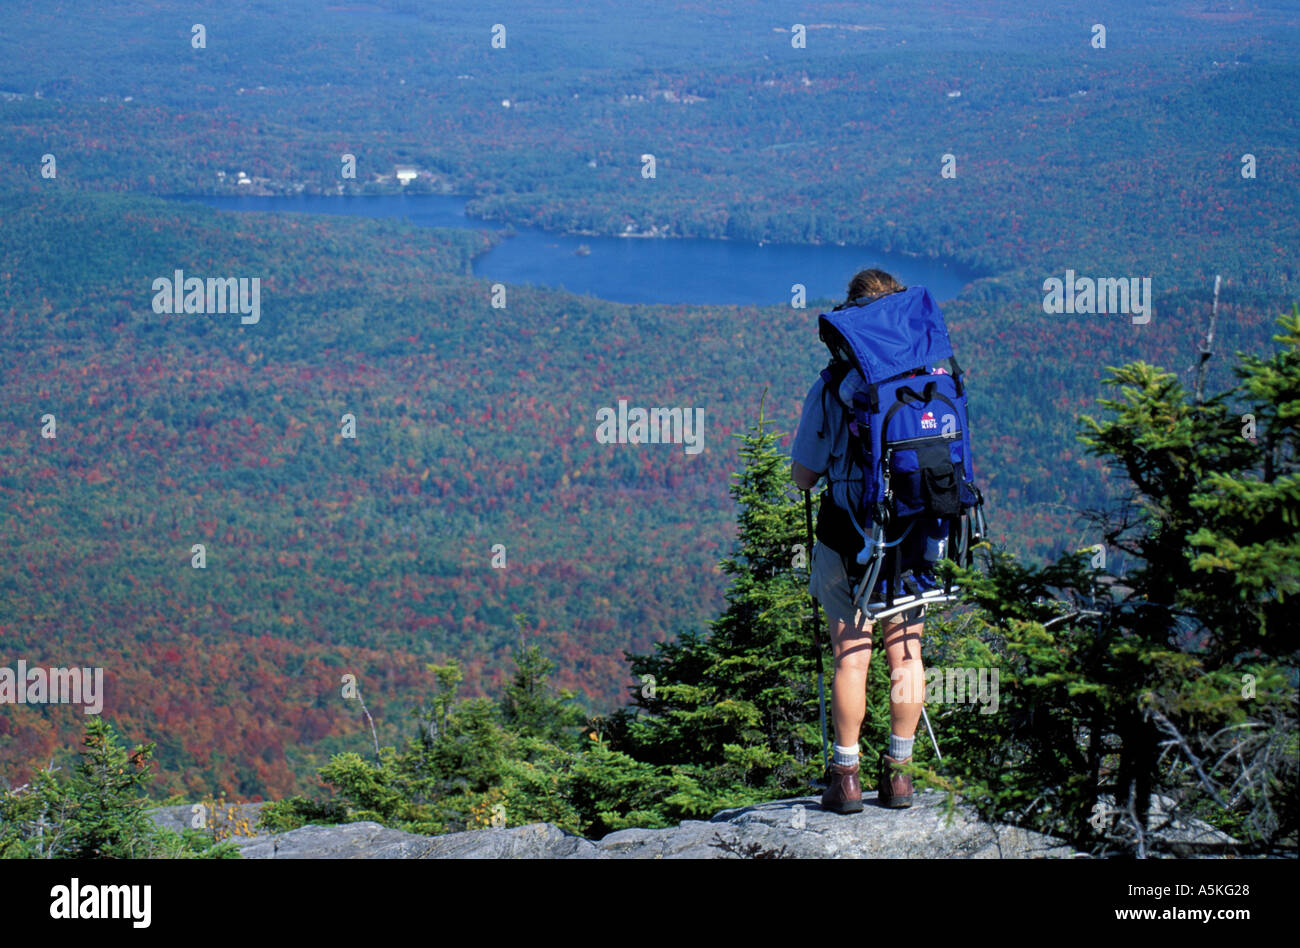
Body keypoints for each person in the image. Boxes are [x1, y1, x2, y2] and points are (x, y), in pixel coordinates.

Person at [790, 268, 938, 813]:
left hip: (850, 534)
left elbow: (803, 477)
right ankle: (899, 777)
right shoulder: (932, 377)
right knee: (907, 655)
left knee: (852, 657)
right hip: (917, 532)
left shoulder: (835, 385)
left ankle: (845, 779)